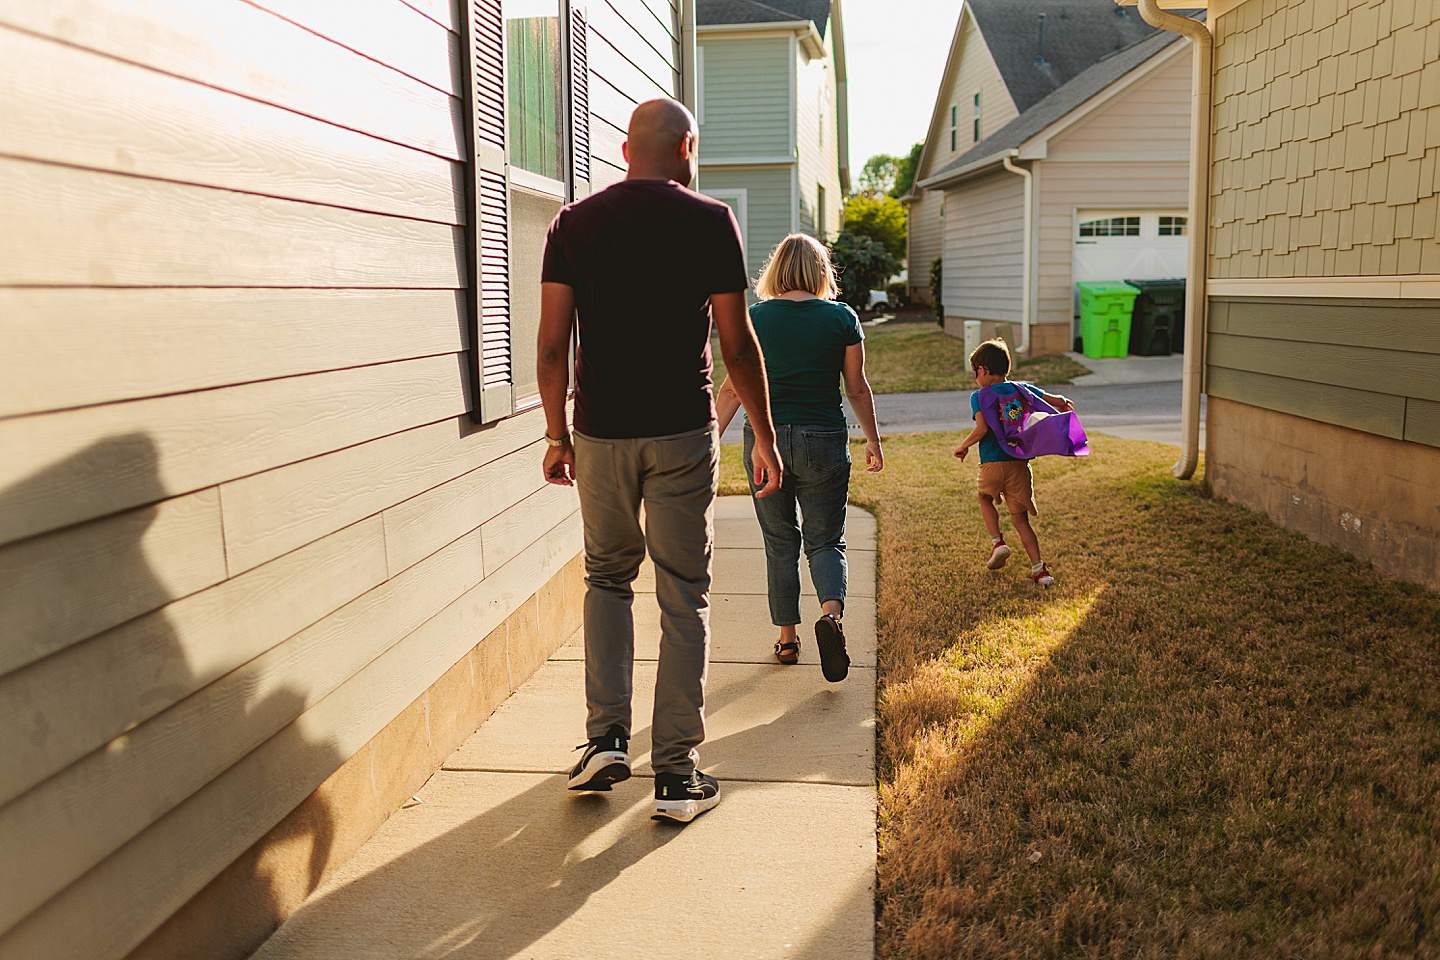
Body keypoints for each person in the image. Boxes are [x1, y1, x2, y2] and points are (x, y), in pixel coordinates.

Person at [536, 98, 782, 824]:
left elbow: (552, 346)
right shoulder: (710, 221)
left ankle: (605, 738)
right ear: (686, 148)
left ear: (622, 150)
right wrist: (764, 438)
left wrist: (557, 435)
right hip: (680, 431)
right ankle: (677, 775)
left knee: (607, 577)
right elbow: (736, 344)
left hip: (600, 433)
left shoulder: (572, 225)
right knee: (684, 593)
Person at [715, 234, 883, 683]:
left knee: (779, 541)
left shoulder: (755, 318)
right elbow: (857, 387)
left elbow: (733, 387)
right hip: (824, 438)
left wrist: (708, 440)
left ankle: (787, 639)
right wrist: (873, 439)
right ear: (820, 271)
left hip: (764, 441)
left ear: (777, 271)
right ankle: (832, 617)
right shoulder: (842, 317)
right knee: (826, 539)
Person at [952, 338, 1074, 587]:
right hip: (1019, 465)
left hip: (992, 465)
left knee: (984, 498)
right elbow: (1053, 399)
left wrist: (963, 446)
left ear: (984, 370)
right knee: (1021, 520)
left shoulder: (979, 396)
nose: (975, 378)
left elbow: (982, 429)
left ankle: (997, 542)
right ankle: (1040, 571)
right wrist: (1062, 402)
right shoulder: (1022, 389)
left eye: (975, 372)